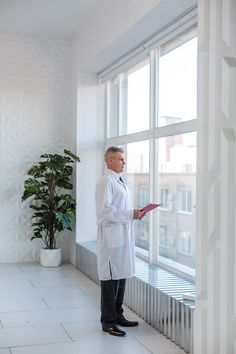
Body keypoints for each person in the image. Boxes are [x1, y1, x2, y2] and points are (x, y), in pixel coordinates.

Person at [95, 146, 145, 337]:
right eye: (120, 159)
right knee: (110, 281)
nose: (124, 162)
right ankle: (108, 322)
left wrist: (134, 214)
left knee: (121, 276)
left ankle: (118, 315)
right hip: (111, 237)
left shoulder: (118, 181)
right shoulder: (106, 181)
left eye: (123, 159)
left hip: (122, 234)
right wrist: (129, 214)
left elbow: (120, 207)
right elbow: (105, 210)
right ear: (109, 161)